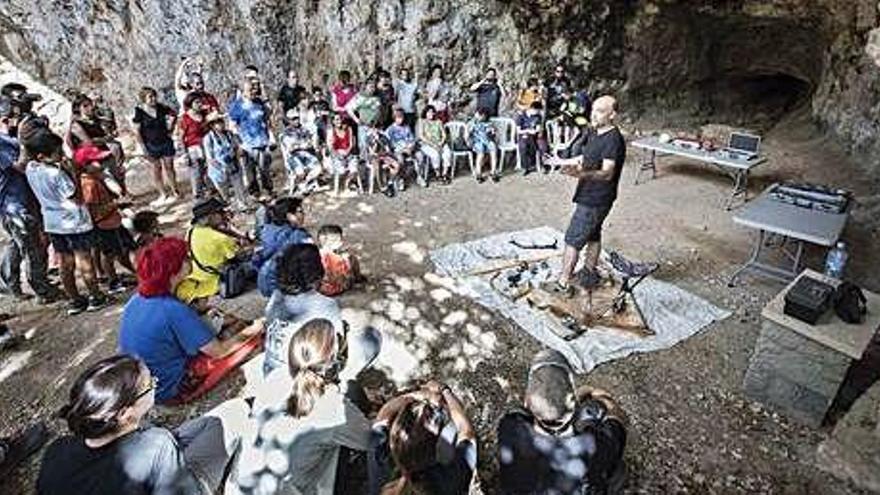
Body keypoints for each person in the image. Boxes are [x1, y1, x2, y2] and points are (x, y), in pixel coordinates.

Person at [37, 354, 252, 493]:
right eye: (151, 385)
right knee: (236, 411)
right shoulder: (156, 444)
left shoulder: (57, 449)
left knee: (204, 425)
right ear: (125, 413)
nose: (155, 385)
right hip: (177, 479)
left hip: (151, 457)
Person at [238, 317, 382, 495]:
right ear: (335, 366)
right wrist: (390, 410)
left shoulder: (276, 377)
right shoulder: (335, 410)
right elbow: (373, 440)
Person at [119, 237, 264, 404]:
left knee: (224, 325)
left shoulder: (136, 299)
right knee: (247, 339)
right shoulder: (173, 309)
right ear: (174, 269)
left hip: (142, 383)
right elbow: (219, 351)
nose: (190, 260)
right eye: (186, 258)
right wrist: (256, 328)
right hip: (168, 389)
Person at [497, 349, 627, 494]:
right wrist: (601, 397)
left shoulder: (510, 428)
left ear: (527, 402)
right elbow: (617, 417)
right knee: (594, 411)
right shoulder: (596, 445)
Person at [543, 96, 626, 294]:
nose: (593, 114)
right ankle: (589, 275)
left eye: (600, 111)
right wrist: (560, 162)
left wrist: (579, 174)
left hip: (596, 197)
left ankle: (562, 283)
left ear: (612, 115)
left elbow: (607, 173)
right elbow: (586, 157)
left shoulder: (613, 139)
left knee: (573, 239)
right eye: (593, 110)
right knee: (593, 235)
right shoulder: (594, 132)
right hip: (590, 193)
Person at [22, 129, 108, 315]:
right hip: (74, 222)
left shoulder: (31, 168)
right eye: (57, 152)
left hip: (53, 222)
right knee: (84, 259)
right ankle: (95, 295)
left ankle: (75, 299)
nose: (61, 155)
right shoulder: (56, 174)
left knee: (65, 262)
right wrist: (73, 172)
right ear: (41, 155)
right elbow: (76, 197)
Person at [369, 380, 478, 495]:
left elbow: (384, 415)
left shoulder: (382, 466)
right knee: (451, 429)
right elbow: (466, 432)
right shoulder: (446, 483)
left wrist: (419, 396)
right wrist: (445, 391)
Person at [0, 96, 59, 303]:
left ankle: (10, 282)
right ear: (4, 120)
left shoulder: (10, 138)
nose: (17, 122)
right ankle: (42, 290)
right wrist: (27, 141)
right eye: (13, 118)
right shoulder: (1, 143)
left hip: (22, 202)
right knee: (32, 247)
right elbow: (21, 166)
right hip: (14, 206)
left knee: (17, 245)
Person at [263, 243, 344, 375]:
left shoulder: (276, 297)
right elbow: (335, 346)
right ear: (317, 270)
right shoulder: (326, 305)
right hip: (304, 377)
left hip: (272, 373)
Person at [74, 146, 137, 294]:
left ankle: (134, 273)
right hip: (104, 224)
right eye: (95, 161)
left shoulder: (96, 178)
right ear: (85, 165)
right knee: (108, 254)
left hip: (112, 220)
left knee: (121, 250)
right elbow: (93, 210)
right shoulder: (89, 184)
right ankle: (113, 281)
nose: (100, 163)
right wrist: (116, 204)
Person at [176, 197, 251, 304]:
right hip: (213, 281)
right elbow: (240, 256)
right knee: (254, 262)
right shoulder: (220, 238)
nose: (224, 214)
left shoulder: (190, 231)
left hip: (196, 277)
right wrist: (245, 244)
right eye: (220, 212)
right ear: (210, 216)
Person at [67, 94, 126, 196]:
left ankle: (122, 196)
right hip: (90, 157)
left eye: (90, 104)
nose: (90, 108)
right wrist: (106, 139)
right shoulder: (76, 125)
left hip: (104, 152)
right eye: (85, 106)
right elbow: (88, 142)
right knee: (104, 180)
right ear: (79, 109)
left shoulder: (95, 119)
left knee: (116, 175)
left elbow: (105, 130)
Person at [254, 196, 313, 297]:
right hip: (280, 288)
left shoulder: (268, 228)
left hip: (264, 281)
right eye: (300, 211)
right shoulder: (300, 235)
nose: (303, 214)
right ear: (290, 216)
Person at [132, 87, 180, 206]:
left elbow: (174, 114)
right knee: (156, 169)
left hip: (165, 141)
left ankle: (175, 191)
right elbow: (137, 131)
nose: (153, 99)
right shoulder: (139, 112)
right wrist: (143, 147)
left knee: (169, 167)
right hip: (150, 144)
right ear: (144, 99)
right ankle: (162, 193)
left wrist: (171, 129)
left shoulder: (161, 107)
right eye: (150, 97)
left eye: (154, 96)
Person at [228, 79, 274, 197]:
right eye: (250, 89)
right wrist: (239, 143)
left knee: (265, 169)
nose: (253, 92)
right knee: (250, 170)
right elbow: (232, 126)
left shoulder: (259, 102)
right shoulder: (236, 106)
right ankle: (255, 193)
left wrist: (270, 137)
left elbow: (267, 118)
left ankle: (268, 190)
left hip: (262, 140)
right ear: (244, 90)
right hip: (247, 143)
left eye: (254, 89)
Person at [203, 111, 248, 209]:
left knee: (239, 186)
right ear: (212, 125)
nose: (221, 124)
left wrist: (238, 152)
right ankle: (228, 207)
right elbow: (210, 158)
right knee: (224, 192)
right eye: (217, 122)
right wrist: (221, 167)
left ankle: (242, 204)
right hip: (218, 169)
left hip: (233, 165)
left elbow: (238, 147)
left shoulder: (230, 134)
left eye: (221, 121)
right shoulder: (208, 138)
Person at [279, 110, 322, 195]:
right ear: (289, 120)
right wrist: (302, 145)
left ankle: (304, 183)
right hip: (293, 156)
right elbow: (290, 148)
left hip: (306, 154)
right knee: (300, 172)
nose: (296, 121)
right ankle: (302, 185)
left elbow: (310, 143)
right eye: (293, 119)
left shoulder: (304, 129)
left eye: (297, 118)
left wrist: (302, 144)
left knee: (318, 169)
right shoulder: (286, 132)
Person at [178, 93, 210, 199]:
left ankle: (208, 190)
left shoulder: (204, 114)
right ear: (190, 103)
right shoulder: (185, 118)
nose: (200, 104)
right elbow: (181, 137)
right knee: (196, 171)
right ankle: (197, 194)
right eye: (197, 102)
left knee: (206, 169)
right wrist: (184, 153)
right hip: (193, 148)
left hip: (206, 145)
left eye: (201, 101)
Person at [317, 224, 362, 296]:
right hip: (338, 288)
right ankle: (358, 279)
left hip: (322, 289)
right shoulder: (340, 258)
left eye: (340, 239)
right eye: (336, 240)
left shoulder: (316, 254)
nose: (340, 242)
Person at [346, 78, 383, 160]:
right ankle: (364, 167)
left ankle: (374, 168)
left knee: (375, 148)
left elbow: (380, 111)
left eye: (373, 87)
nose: (372, 89)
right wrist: (356, 120)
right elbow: (348, 108)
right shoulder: (359, 97)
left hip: (375, 127)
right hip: (364, 126)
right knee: (363, 146)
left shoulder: (377, 98)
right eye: (370, 87)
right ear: (366, 87)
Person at [325, 113, 360, 194]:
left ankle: (346, 184)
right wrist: (338, 154)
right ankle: (337, 188)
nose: (339, 121)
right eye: (336, 119)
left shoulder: (349, 129)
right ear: (333, 121)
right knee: (341, 171)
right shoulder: (331, 131)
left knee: (354, 170)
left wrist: (347, 151)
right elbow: (330, 147)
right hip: (336, 154)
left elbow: (351, 144)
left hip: (348, 153)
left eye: (340, 119)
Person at [417, 105, 452, 184]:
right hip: (427, 144)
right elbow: (421, 136)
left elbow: (444, 135)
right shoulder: (422, 121)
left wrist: (441, 143)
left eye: (432, 112)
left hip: (440, 143)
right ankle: (437, 174)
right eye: (429, 112)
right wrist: (433, 145)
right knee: (435, 154)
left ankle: (444, 174)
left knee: (447, 153)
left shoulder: (438, 122)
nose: (431, 114)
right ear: (425, 113)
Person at [386, 108, 422, 185]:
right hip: (397, 151)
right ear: (394, 118)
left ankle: (419, 176)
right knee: (400, 159)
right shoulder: (390, 129)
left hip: (408, 149)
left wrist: (410, 147)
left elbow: (412, 139)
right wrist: (400, 150)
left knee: (420, 155)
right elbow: (387, 142)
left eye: (401, 117)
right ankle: (401, 178)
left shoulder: (407, 128)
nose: (400, 120)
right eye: (398, 118)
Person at [366, 127, 402, 197]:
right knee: (377, 165)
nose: (374, 131)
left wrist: (379, 140)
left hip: (384, 156)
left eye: (376, 129)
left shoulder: (383, 137)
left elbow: (388, 149)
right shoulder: (368, 138)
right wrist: (375, 142)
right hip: (374, 157)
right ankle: (383, 188)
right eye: (372, 129)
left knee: (396, 165)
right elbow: (372, 152)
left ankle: (390, 182)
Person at [468, 109, 498, 183]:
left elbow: (493, 133)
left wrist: (492, 132)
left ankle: (493, 172)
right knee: (481, 153)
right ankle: (478, 173)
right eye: (478, 115)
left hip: (488, 141)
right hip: (478, 141)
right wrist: (469, 141)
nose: (478, 116)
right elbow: (468, 134)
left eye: (480, 115)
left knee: (493, 149)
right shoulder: (473, 122)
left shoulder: (489, 123)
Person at [516, 101, 546, 175]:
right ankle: (525, 167)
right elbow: (518, 130)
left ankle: (541, 164)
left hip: (534, 135)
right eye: (537, 111)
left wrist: (536, 131)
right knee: (523, 145)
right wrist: (527, 130)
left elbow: (538, 128)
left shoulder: (538, 116)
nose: (538, 112)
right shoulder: (521, 116)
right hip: (523, 134)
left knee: (542, 145)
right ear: (533, 109)